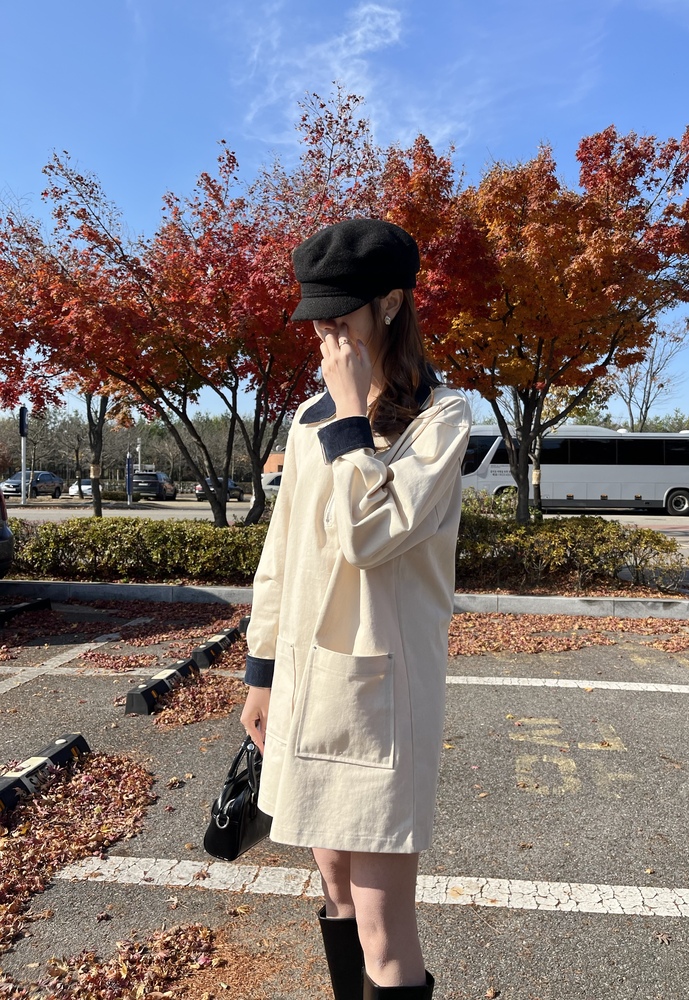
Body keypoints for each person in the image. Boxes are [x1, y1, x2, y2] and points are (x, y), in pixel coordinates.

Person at [240, 218, 471, 999]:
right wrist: (261, 674)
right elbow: (283, 557)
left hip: (381, 693)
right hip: (307, 683)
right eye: (317, 320)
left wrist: (349, 415)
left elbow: (369, 537)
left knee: (382, 924)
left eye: (340, 318)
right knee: (335, 889)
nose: (326, 336)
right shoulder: (311, 419)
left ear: (392, 304)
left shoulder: (441, 418)